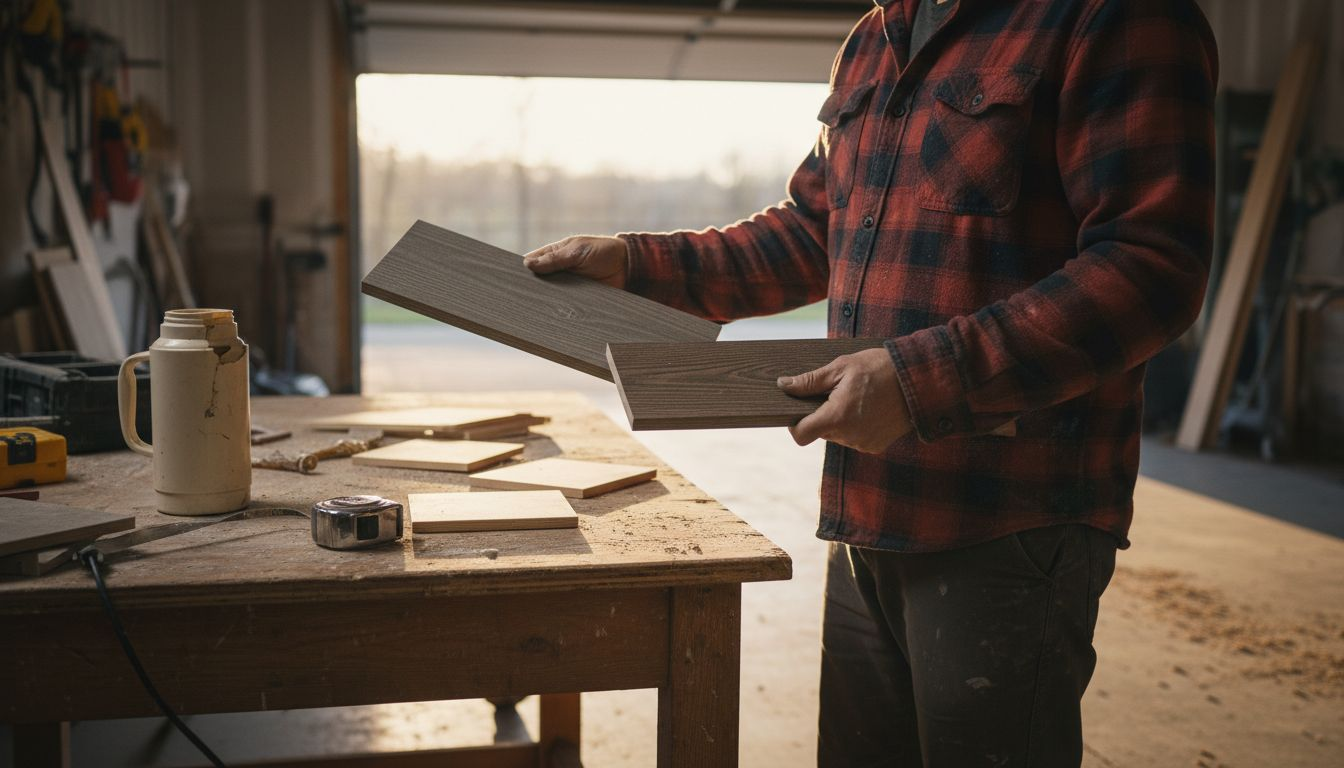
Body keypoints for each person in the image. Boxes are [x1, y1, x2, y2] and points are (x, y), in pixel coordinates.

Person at [525, 0, 1218, 765]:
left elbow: (1153, 267)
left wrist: (921, 380)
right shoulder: (875, 36)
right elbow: (813, 230)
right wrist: (635, 264)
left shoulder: (1111, 16)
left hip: (1010, 520)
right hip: (869, 506)